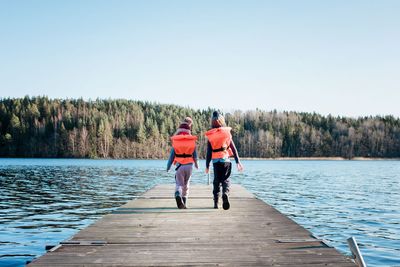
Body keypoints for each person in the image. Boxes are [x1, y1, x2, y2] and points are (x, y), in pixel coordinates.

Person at [205, 111, 243, 210]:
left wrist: (207, 166)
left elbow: (209, 153)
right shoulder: (227, 133)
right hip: (226, 160)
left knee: (216, 181)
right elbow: (234, 149)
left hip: (216, 162)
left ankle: (216, 203)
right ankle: (225, 194)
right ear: (222, 121)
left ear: (212, 122)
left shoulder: (211, 135)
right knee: (225, 180)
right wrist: (238, 162)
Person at [167, 117, 199, 209]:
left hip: (179, 166)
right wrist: (197, 164)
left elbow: (171, 157)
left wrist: (168, 167)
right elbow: (195, 155)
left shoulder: (176, 142)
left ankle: (177, 193)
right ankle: (184, 203)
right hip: (189, 166)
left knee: (179, 184)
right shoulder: (191, 141)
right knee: (186, 184)